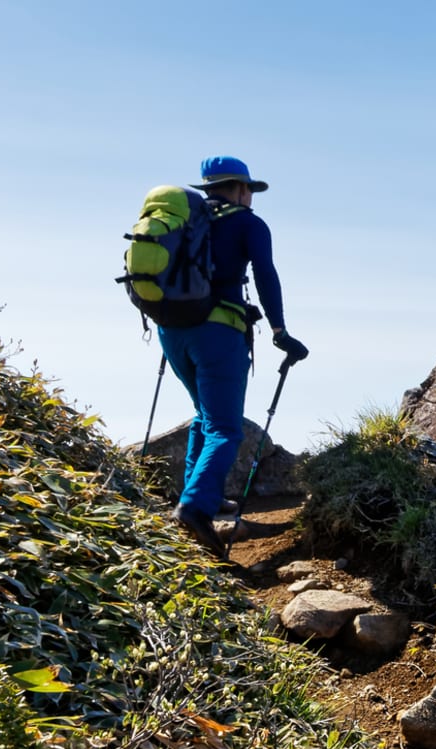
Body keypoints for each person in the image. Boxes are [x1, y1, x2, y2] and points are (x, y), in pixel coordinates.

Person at [159, 155, 307, 559]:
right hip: (217, 332)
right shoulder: (248, 223)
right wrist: (279, 331)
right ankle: (194, 508)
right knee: (226, 427)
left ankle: (198, 492)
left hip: (171, 331)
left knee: (204, 414)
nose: (251, 198)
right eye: (250, 190)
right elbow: (265, 274)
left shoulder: (186, 221)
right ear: (242, 189)